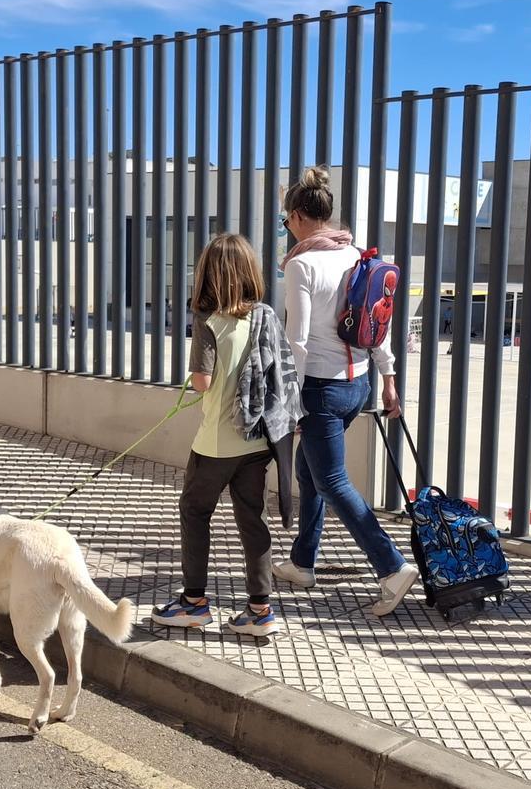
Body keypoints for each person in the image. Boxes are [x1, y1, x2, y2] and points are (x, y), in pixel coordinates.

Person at [273, 165, 418, 617]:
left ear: (298, 216)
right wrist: (389, 378)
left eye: (285, 220)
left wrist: (290, 400)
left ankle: (392, 567)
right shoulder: (356, 255)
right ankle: (303, 562)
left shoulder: (301, 264)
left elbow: (296, 341)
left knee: (332, 480)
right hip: (358, 384)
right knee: (310, 471)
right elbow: (378, 321)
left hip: (319, 388)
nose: (287, 228)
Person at [151, 233, 292, 638]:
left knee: (195, 511)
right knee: (252, 518)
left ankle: (194, 602)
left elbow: (203, 382)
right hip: (258, 438)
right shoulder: (264, 315)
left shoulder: (207, 321)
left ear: (208, 275)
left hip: (216, 442)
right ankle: (260, 610)